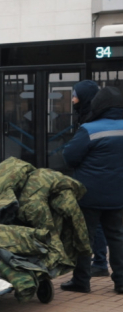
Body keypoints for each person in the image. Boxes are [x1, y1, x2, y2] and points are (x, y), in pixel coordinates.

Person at [62, 87, 123, 294]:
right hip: (118, 194)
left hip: (90, 194)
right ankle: (121, 282)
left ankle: (81, 281)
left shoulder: (89, 129)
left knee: (84, 238)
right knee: (116, 237)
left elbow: (69, 156)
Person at [72, 80, 108, 277]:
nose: (72, 99)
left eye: (75, 95)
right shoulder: (93, 117)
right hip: (107, 183)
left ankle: (93, 267)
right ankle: (102, 263)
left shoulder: (89, 122)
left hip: (93, 183)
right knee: (108, 228)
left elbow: (72, 155)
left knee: (91, 227)